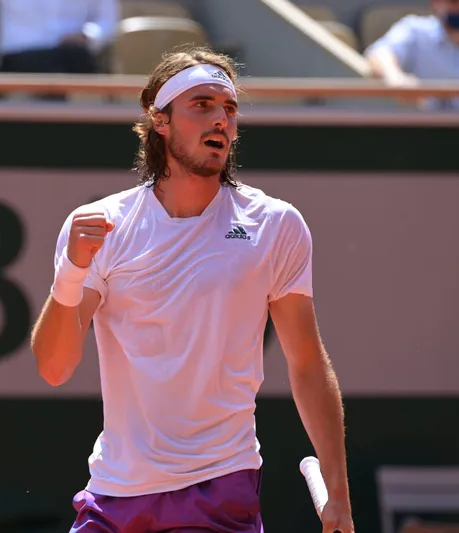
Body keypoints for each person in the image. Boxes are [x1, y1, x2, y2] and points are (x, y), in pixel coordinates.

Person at [30, 46, 354, 533]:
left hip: (219, 491)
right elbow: (54, 367)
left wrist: (340, 496)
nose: (221, 119)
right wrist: (71, 272)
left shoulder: (275, 225)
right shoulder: (103, 226)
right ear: (159, 120)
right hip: (116, 495)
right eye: (201, 105)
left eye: (229, 109)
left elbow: (307, 362)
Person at [365, 0, 459, 111]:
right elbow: (379, 52)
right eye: (454, 1)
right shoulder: (414, 30)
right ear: (435, 2)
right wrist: (395, 77)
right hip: (424, 132)